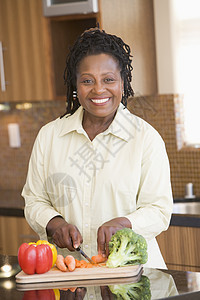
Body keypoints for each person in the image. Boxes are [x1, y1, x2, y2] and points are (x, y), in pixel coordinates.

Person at [22, 28, 173, 268]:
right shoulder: (49, 136)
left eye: (108, 79)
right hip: (69, 272)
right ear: (76, 85)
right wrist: (55, 222)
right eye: (87, 80)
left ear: (123, 82)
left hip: (132, 275)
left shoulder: (146, 139)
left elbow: (159, 210)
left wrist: (124, 223)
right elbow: (34, 199)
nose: (98, 89)